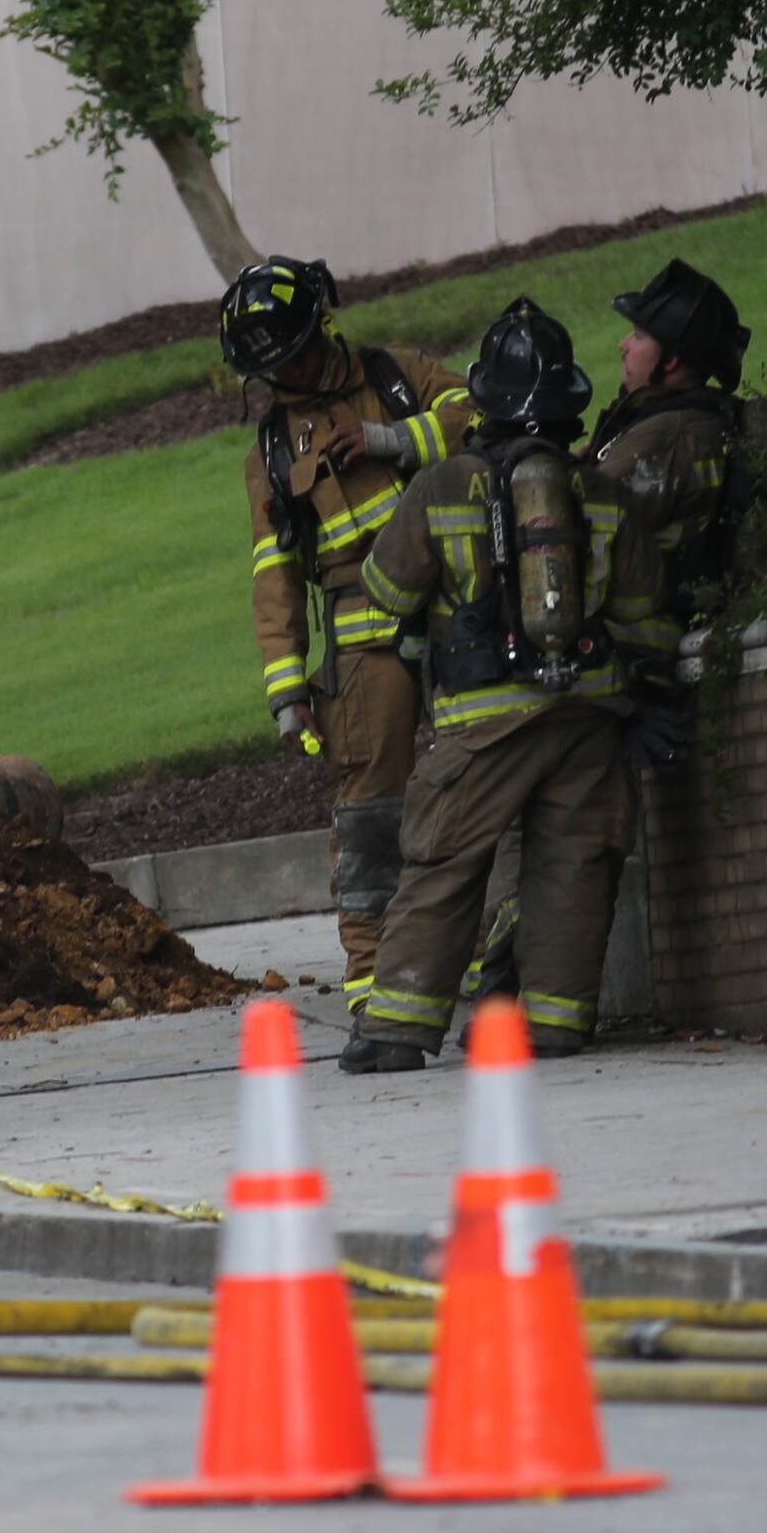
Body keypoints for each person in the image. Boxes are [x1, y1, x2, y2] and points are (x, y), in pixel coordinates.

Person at [341, 297, 653, 1073]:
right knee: (573, 868)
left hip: (484, 725)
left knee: (444, 862)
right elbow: (648, 622)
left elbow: (385, 589)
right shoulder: (605, 497)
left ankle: (395, 1032)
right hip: (590, 718)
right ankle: (548, 1025)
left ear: (482, 402)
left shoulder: (444, 486)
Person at [220, 256, 471, 993]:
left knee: (478, 777)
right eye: (269, 370)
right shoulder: (270, 453)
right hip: (363, 641)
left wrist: (389, 439)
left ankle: (487, 952)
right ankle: (371, 974)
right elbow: (275, 572)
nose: (285, 376)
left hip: (456, 602)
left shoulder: (399, 376)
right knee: (369, 810)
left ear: (321, 328)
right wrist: (287, 687)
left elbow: (487, 412)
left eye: (293, 353)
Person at [591, 259, 754, 767]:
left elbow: (581, 526)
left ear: (673, 361)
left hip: (630, 659)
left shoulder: (667, 437)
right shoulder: (664, 423)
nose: (623, 345)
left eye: (638, 335)